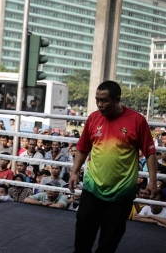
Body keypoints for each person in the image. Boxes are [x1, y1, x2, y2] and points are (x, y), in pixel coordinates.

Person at [69, 81, 157, 253]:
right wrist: (74, 172)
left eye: (104, 101)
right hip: (92, 187)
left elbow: (150, 152)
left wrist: (152, 181)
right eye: (97, 100)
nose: (100, 105)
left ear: (117, 99)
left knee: (110, 239)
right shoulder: (93, 118)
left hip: (121, 192)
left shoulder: (137, 120)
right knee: (82, 234)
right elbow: (83, 148)